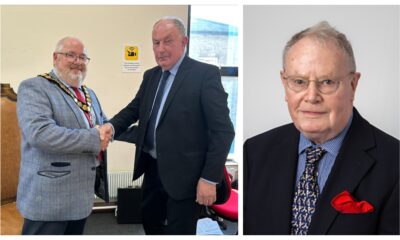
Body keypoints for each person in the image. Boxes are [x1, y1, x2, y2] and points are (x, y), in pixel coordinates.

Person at [243, 21, 399, 235]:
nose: (311, 96)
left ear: (353, 85)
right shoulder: (254, 152)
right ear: (284, 83)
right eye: (299, 81)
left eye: (327, 82)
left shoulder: (394, 163)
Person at [101, 16, 235, 235]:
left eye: (167, 41)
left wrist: (209, 179)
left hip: (187, 176)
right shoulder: (151, 76)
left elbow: (223, 131)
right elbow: (134, 109)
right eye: (156, 42)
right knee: (149, 222)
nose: (160, 49)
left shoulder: (204, 75)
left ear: (184, 42)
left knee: (179, 231)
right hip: (153, 169)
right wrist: (111, 126)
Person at [16, 37, 112, 235]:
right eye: (71, 55)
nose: (78, 61)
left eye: (83, 57)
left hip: (80, 196)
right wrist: (95, 138)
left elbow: (103, 125)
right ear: (55, 57)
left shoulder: (89, 93)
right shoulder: (34, 87)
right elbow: (41, 134)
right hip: (49, 197)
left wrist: (121, 128)